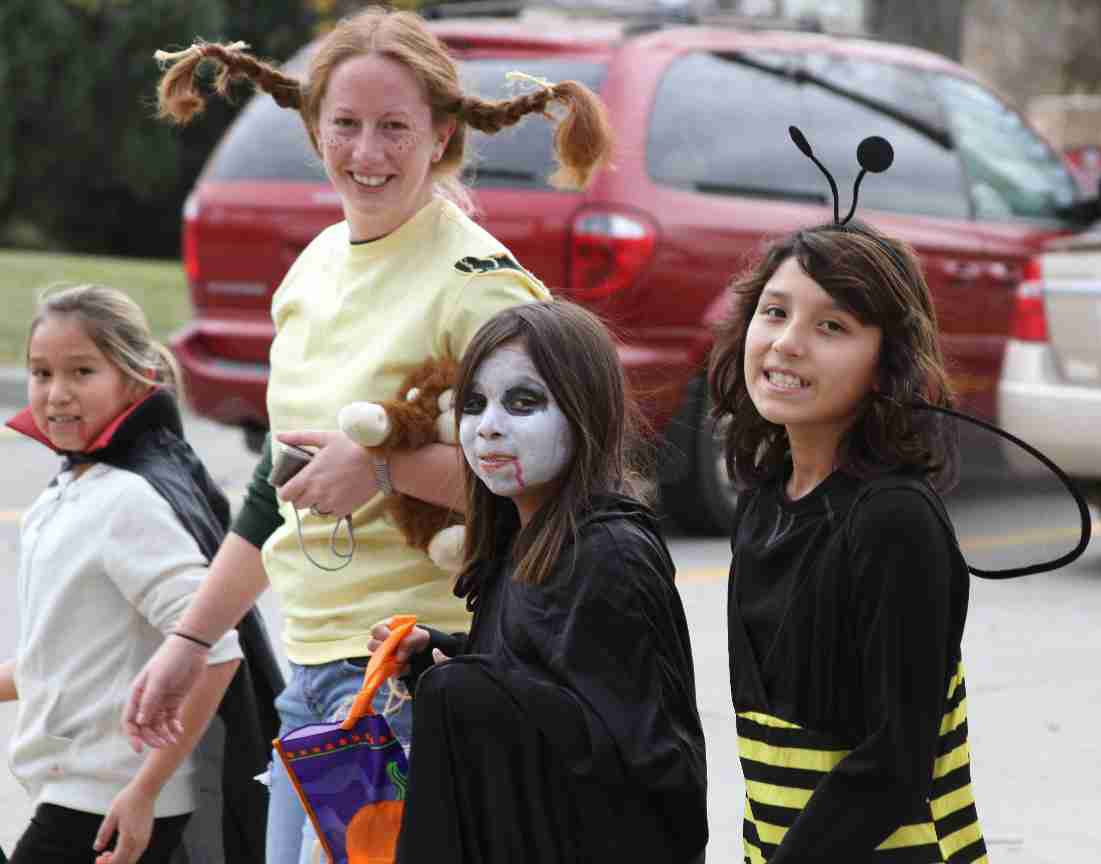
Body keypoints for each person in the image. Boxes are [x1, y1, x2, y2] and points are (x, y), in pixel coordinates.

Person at [125, 8, 612, 864]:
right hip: (311, 676)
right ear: (314, 130)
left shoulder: (481, 287)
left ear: (442, 134)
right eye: (345, 125)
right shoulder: (312, 269)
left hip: (417, 678)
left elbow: (563, 483)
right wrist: (191, 640)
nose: (367, 152)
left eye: (395, 127)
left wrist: (387, 470)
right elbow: (275, 491)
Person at [369, 301, 709, 864]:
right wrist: (442, 653)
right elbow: (547, 673)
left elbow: (647, 767)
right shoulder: (520, 540)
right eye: (474, 405)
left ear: (586, 412)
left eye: (523, 402)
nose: (489, 426)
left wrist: (467, 690)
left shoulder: (611, 556)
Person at [709, 220, 988, 863]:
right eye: (773, 312)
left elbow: (895, 763)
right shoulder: (764, 502)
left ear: (886, 362)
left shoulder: (895, 522)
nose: (786, 344)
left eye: (831, 326)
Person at [1, 284, 280, 864]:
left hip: (107, 798)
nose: (56, 394)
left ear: (136, 379)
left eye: (82, 371)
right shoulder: (66, 492)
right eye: (41, 372)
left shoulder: (129, 500)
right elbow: (66, 659)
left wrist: (146, 790)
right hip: (71, 785)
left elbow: (216, 651)